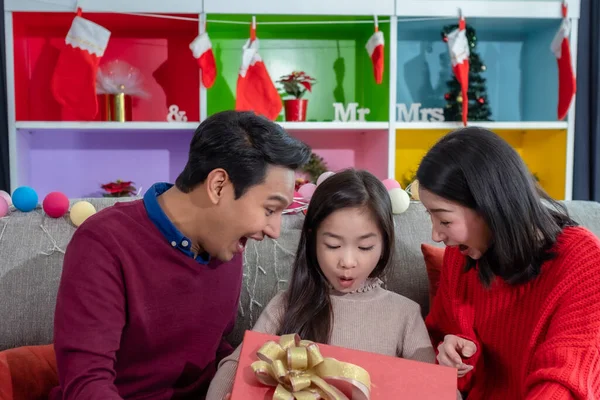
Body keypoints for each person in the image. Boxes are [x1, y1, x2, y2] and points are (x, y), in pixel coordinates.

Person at [49, 110, 312, 400]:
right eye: (270, 209)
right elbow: (86, 385)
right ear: (218, 186)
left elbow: (208, 351)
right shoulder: (104, 243)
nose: (275, 230)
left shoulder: (224, 247)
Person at [206, 168, 437, 399]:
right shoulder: (288, 303)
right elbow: (236, 365)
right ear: (312, 238)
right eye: (333, 245)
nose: (347, 262)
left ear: (384, 244)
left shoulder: (404, 313)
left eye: (365, 247)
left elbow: (436, 388)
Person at [417, 127, 600, 399]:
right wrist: (449, 355)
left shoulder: (581, 258)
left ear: (490, 205)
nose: (436, 235)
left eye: (444, 220)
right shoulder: (462, 258)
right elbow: (440, 348)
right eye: (431, 217)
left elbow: (565, 381)